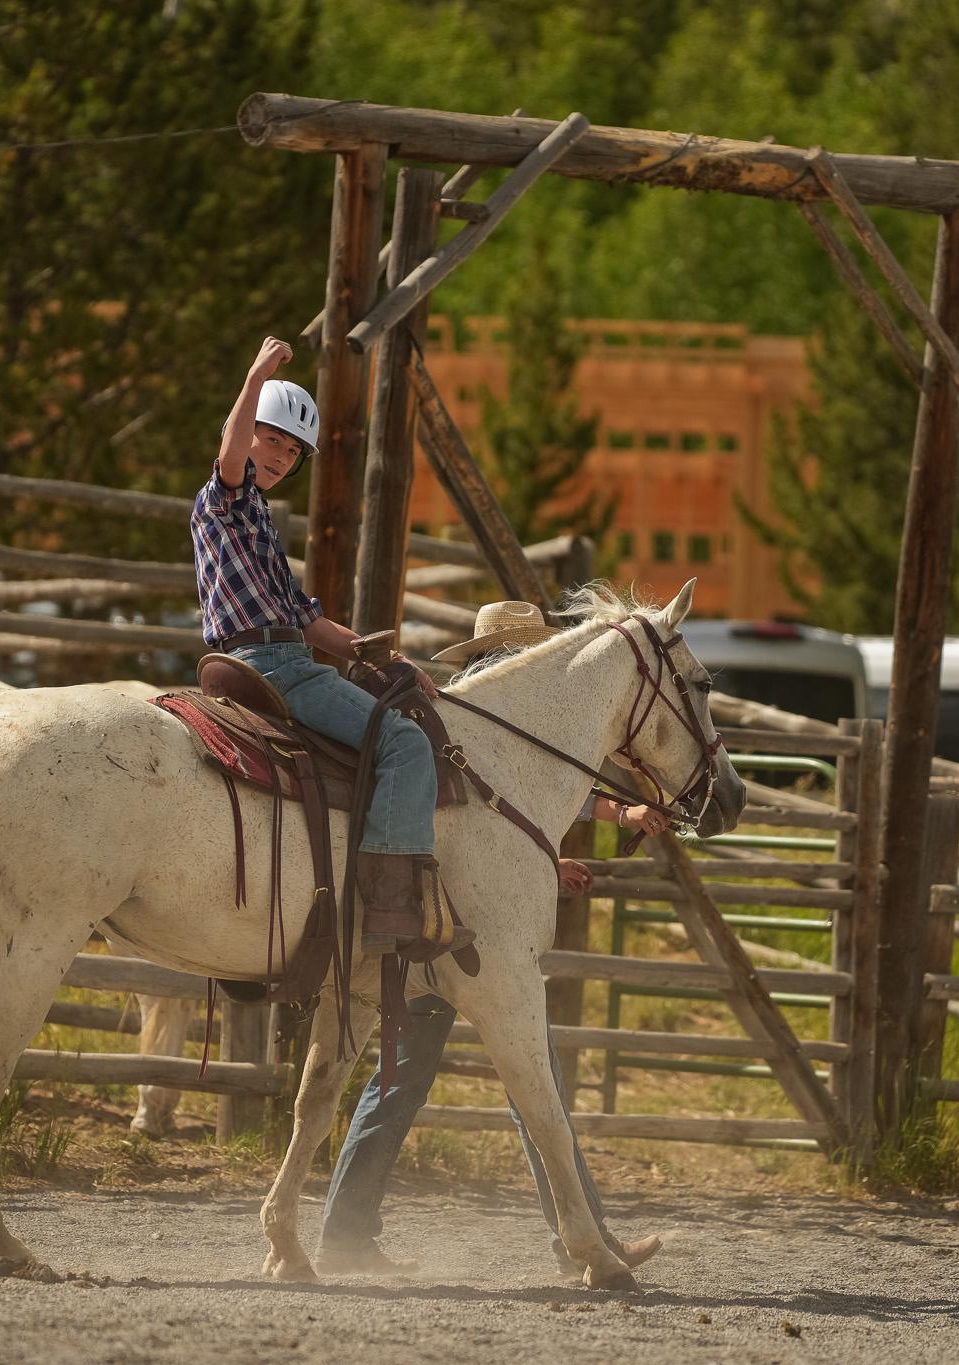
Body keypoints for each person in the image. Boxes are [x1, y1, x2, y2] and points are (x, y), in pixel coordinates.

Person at [315, 601, 670, 1279]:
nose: (517, 662)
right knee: (524, 1083)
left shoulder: (471, 726)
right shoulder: (463, 726)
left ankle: (347, 1233)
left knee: (407, 1083)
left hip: (437, 926)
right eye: (511, 651)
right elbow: (473, 833)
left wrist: (610, 819)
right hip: (455, 929)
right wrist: (548, 861)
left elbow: (522, 809)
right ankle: (582, 1238)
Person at [191, 336, 466, 958]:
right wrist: (257, 373)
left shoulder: (257, 519)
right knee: (405, 743)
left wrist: (383, 656)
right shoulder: (225, 498)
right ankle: (391, 904)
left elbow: (307, 620)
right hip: (276, 667)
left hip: (276, 653)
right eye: (272, 439)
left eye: (293, 451)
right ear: (246, 434)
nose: (281, 456)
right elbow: (229, 453)